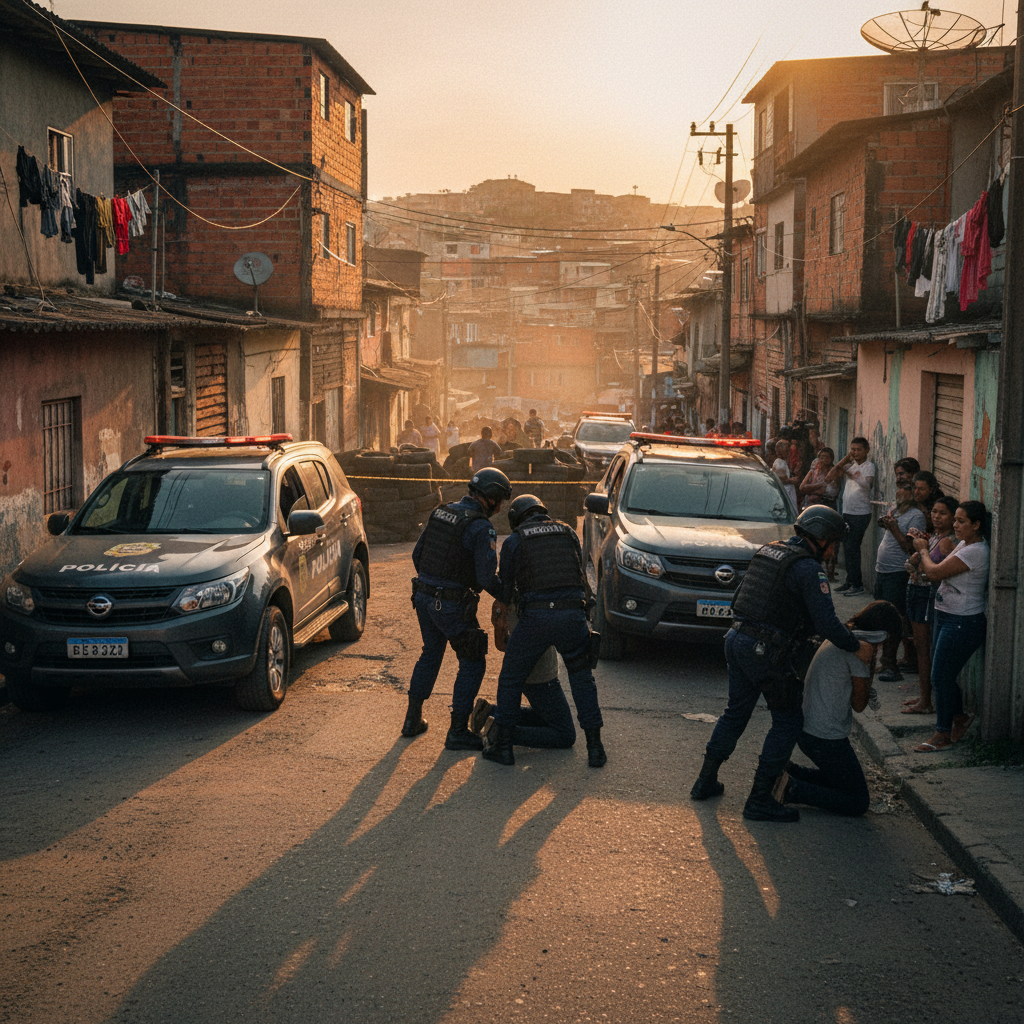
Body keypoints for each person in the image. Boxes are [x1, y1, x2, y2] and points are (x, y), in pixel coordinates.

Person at [690, 505, 874, 822]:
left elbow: (740, 598)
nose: (833, 551)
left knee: (735, 713)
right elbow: (828, 624)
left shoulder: (769, 552)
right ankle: (760, 798)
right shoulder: (808, 569)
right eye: (833, 543)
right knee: (787, 722)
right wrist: (857, 647)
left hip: (737, 639)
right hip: (765, 651)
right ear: (822, 538)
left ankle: (705, 780)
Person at [484, 494, 605, 768]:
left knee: (511, 678)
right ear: (542, 512)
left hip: (536, 620)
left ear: (516, 519)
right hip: (572, 617)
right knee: (582, 680)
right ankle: (596, 748)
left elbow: (506, 588)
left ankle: (503, 746)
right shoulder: (568, 531)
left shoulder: (515, 540)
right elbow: (582, 577)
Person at [402, 467, 513, 749]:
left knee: (431, 653)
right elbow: (487, 578)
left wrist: (435, 581)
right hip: (449, 604)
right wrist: (510, 596)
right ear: (492, 499)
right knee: (473, 661)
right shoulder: (480, 527)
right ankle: (457, 732)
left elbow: (418, 555)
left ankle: (412, 720)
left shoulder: (442, 512)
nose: (500, 508)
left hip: (424, 597)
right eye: (500, 501)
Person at [781, 601, 903, 817]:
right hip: (825, 738)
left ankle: (791, 772)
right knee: (858, 801)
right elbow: (859, 704)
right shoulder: (859, 649)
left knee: (842, 779)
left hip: (809, 729)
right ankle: (792, 789)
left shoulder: (845, 635)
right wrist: (869, 665)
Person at [911, 500, 989, 752]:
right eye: (954, 520)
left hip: (962, 621)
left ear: (976, 525)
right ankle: (959, 717)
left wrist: (923, 550)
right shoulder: (965, 544)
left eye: (961, 521)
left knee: (940, 676)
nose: (955, 525)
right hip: (946, 615)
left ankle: (942, 733)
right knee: (942, 675)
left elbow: (934, 573)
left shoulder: (975, 551)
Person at [471, 604, 576, 751]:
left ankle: (491, 712)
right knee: (565, 734)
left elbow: (501, 644)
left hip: (521, 670)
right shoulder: (540, 596)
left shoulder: (506, 598)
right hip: (542, 675)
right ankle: (501, 732)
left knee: (547, 717)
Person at [902, 495, 957, 715]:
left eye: (943, 513)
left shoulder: (946, 541)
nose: (936, 516)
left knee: (924, 650)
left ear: (953, 517)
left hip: (927, 595)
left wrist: (919, 558)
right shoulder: (934, 536)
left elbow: (934, 572)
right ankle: (924, 696)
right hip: (916, 591)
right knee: (920, 647)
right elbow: (911, 565)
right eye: (934, 512)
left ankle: (926, 702)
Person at [872, 482, 927, 681]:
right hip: (883, 571)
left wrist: (894, 527)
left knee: (894, 620)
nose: (900, 491)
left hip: (897, 572)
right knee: (883, 618)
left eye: (906, 488)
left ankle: (891, 666)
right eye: (899, 486)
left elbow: (910, 548)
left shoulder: (917, 516)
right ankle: (886, 661)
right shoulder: (896, 510)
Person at [827, 437, 875, 597]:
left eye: (858, 449)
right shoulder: (850, 464)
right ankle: (850, 581)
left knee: (852, 548)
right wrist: (846, 458)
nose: (855, 452)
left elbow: (868, 485)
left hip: (861, 513)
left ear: (866, 450)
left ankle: (857, 584)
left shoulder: (869, 467)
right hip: (847, 511)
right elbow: (830, 476)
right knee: (847, 548)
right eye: (853, 449)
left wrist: (856, 475)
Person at [772, 438, 799, 510]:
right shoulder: (780, 463)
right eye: (786, 450)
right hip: (785, 492)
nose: (789, 452)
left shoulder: (781, 462)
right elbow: (781, 479)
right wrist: (792, 480)